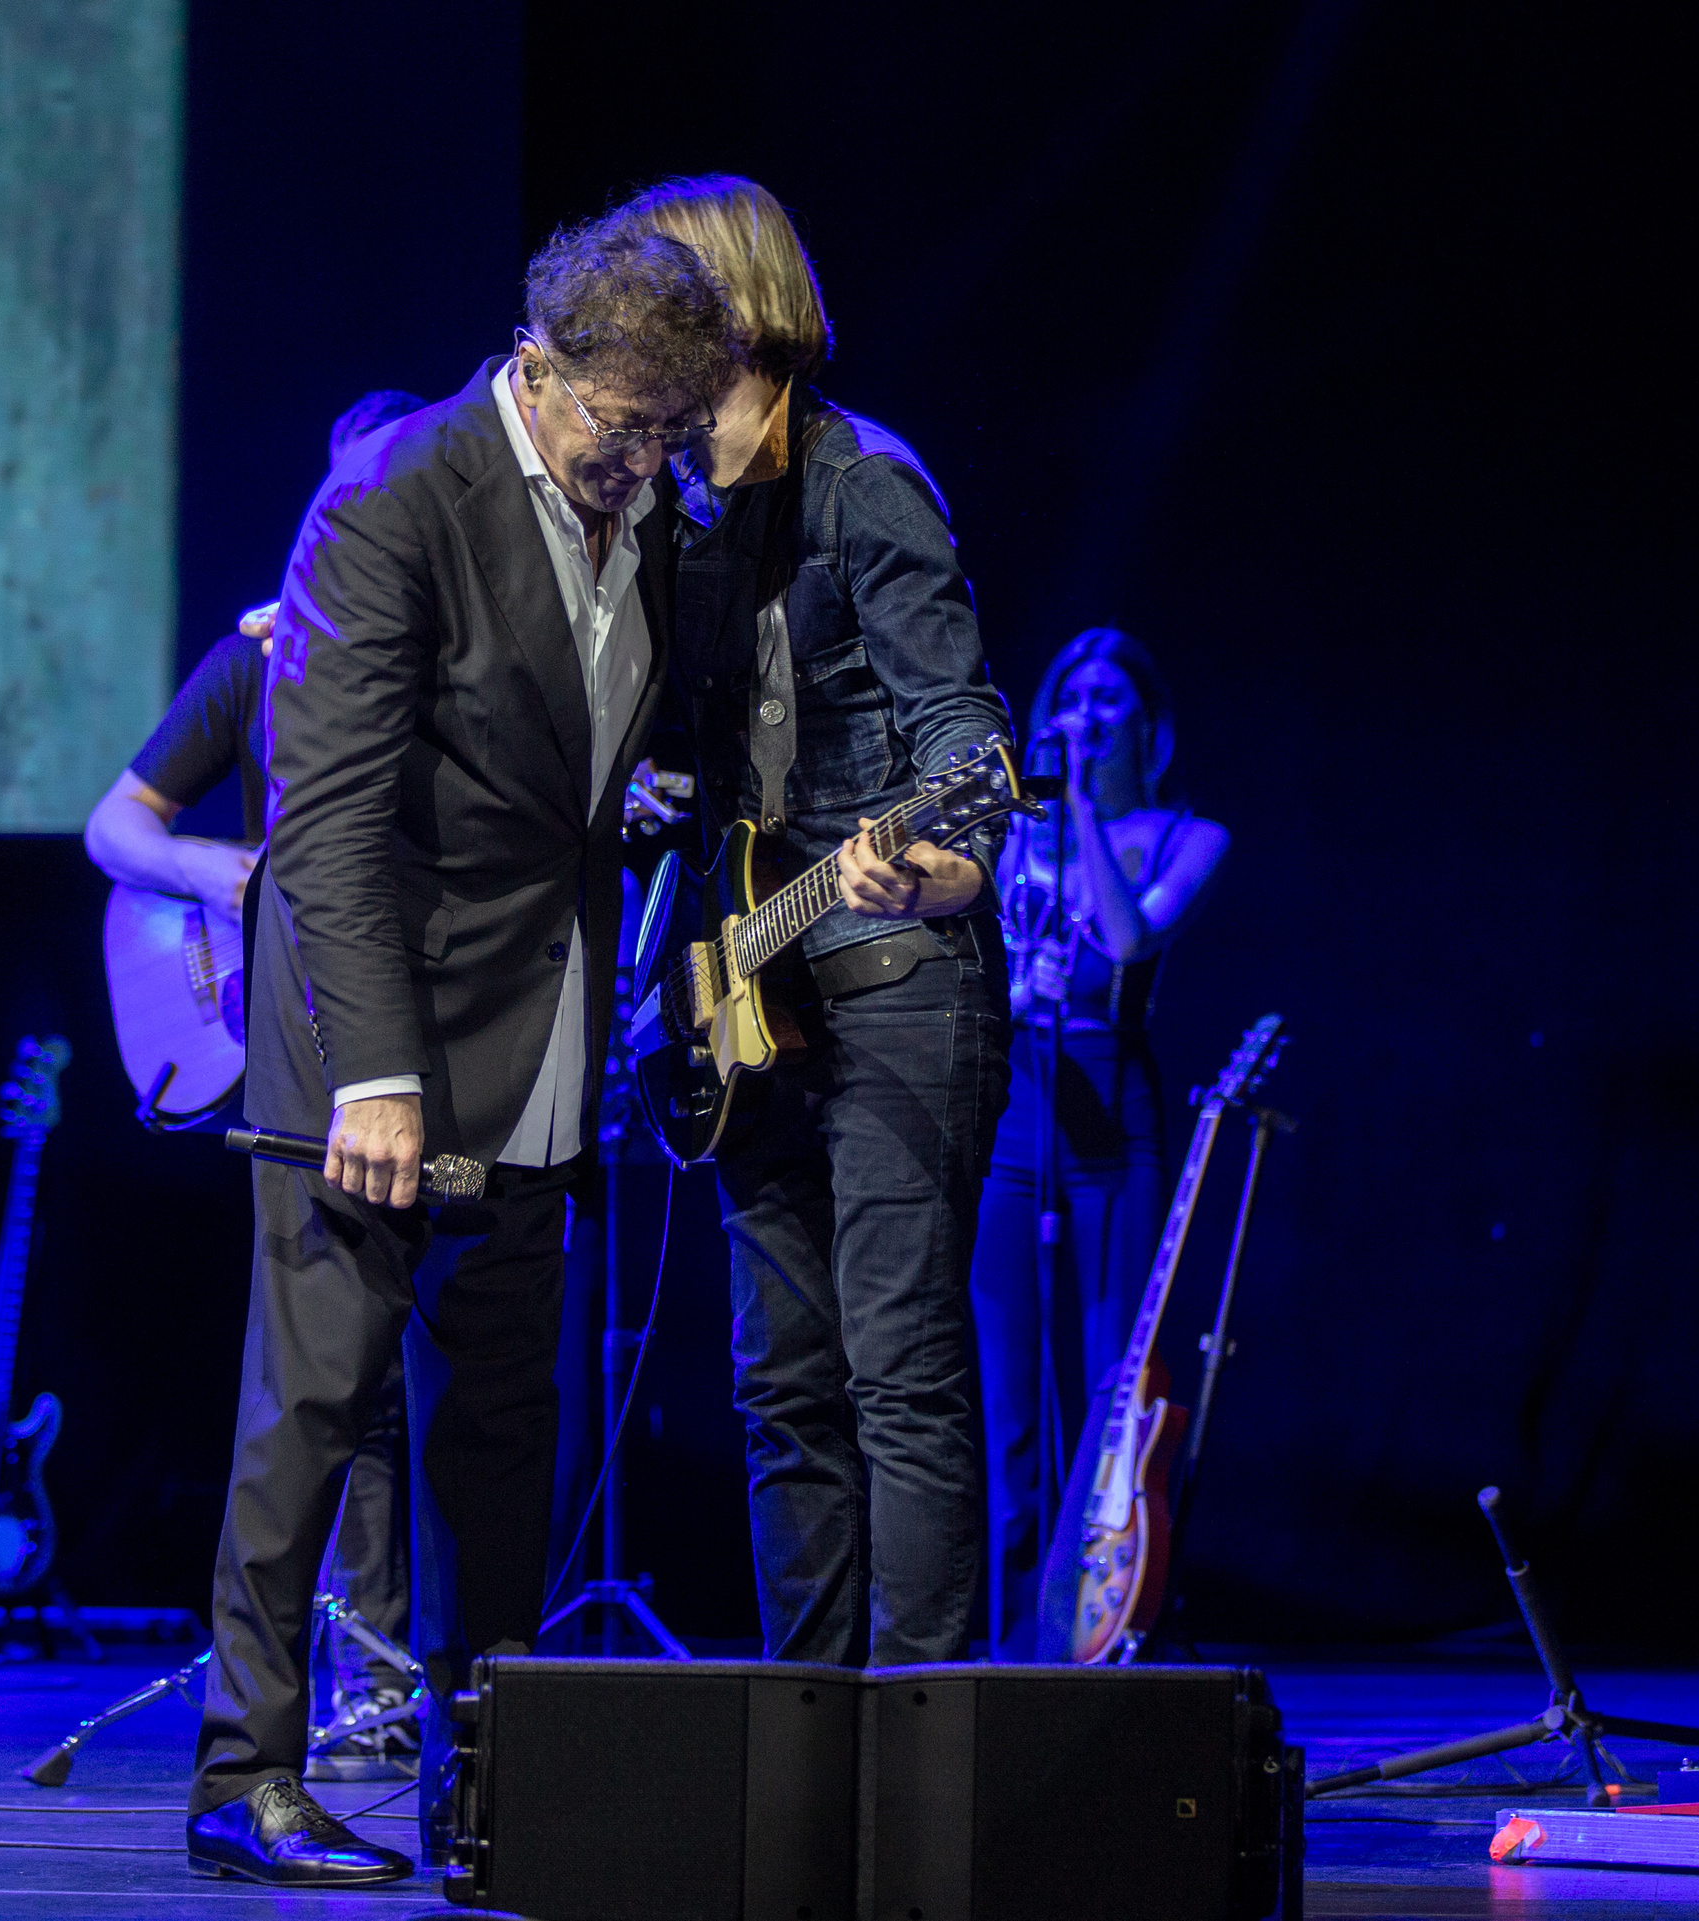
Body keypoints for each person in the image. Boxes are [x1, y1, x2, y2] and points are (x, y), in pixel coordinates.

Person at [183, 220, 734, 1887]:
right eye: (616, 422)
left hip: (539, 1033)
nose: (640, 460)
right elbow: (331, 818)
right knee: (315, 1413)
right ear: (535, 361)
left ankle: (486, 1781)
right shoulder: (396, 492)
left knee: (500, 1436)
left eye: (664, 431)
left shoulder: (642, 524)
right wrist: (375, 1075)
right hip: (374, 1038)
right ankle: (245, 1778)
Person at [607, 176, 1013, 1667]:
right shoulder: (689, 518)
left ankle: (923, 1739)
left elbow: (965, 746)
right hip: (748, 995)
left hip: (898, 980)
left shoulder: (868, 485)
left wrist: (943, 857)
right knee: (783, 1386)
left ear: (724, 310)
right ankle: (809, 1739)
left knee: (899, 1369)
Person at [84, 387, 427, 1783]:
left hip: (429, 1033)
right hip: (300, 1041)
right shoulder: (262, 660)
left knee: (408, 1367)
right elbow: (116, 823)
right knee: (322, 1366)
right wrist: (213, 872)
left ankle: (406, 1669)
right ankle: (321, 1692)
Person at [970, 629, 1228, 1659]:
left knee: (1115, 1396)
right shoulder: (1001, 832)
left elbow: (1125, 940)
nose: (1086, 708)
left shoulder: (1183, 836)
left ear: (1146, 725)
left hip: (1111, 1123)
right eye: (1071, 691)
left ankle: (1103, 1629)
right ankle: (1009, 1648)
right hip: (1015, 1117)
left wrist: (1073, 800)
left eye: (1110, 695)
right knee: (1009, 1403)